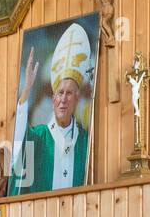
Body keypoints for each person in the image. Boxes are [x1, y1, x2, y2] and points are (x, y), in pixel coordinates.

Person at [11, 22, 94, 194]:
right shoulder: (37, 136)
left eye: (69, 93)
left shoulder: (86, 141)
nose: (63, 99)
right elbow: (18, 141)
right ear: (53, 97)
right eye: (60, 93)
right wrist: (26, 90)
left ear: (77, 98)